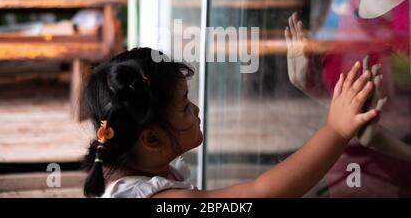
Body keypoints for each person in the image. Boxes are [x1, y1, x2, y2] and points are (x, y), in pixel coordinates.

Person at [82, 47, 377, 198]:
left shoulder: (119, 167)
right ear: (152, 139)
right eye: (185, 106)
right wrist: (337, 130)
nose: (196, 110)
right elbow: (264, 193)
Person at [285, 0, 411, 197]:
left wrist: (378, 139)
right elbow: (347, 116)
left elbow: (367, 128)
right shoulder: (347, 3)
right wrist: (311, 86)